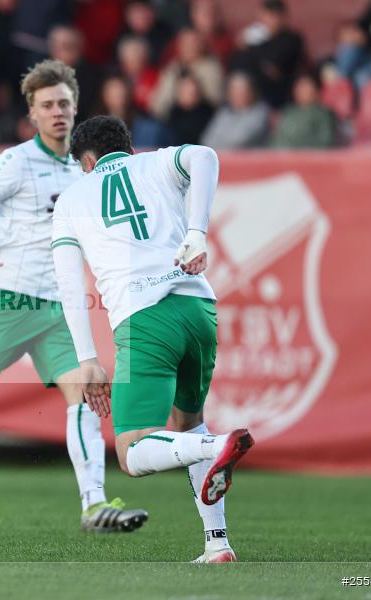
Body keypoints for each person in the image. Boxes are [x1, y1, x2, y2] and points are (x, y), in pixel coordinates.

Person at [0, 59, 148, 534]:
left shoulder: (86, 167)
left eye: (65, 104)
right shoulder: (15, 161)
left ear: (76, 107)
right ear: (32, 112)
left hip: (59, 308)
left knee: (86, 394)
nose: (58, 113)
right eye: (48, 105)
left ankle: (94, 506)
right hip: (10, 299)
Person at [51, 115, 255, 563]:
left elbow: (68, 284)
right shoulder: (155, 165)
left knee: (133, 450)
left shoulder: (71, 198)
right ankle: (217, 543)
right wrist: (197, 233)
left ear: (85, 162)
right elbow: (204, 155)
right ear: (127, 146)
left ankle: (216, 446)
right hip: (198, 307)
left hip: (144, 318)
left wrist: (87, 358)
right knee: (188, 422)